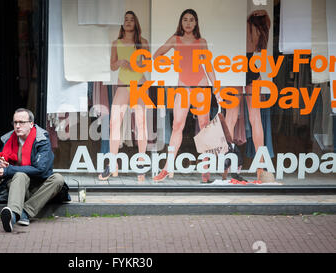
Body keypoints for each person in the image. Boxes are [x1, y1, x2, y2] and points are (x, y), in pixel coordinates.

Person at [152, 9, 217, 183]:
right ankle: (167, 168)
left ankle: (205, 170)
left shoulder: (201, 41)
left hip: (201, 86)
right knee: (177, 126)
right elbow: (156, 56)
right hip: (184, 87)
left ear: (196, 23)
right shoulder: (175, 40)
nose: (188, 23)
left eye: (191, 20)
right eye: (185, 20)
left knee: (204, 126)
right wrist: (173, 61)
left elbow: (207, 64)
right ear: (181, 23)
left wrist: (216, 86)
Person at [0, 108, 65, 232]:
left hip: (38, 186)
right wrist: (1, 168)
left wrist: (8, 170)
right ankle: (13, 216)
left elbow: (40, 169)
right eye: (15, 122)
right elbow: (4, 171)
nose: (18, 126)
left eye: (22, 122)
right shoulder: (8, 139)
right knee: (20, 175)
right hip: (17, 186)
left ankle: (25, 212)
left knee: (58, 179)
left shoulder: (42, 140)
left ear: (31, 124)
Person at [98, 11, 150, 182]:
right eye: (126, 20)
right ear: (122, 23)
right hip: (122, 86)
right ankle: (112, 164)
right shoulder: (116, 43)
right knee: (114, 124)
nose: (128, 22)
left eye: (131, 20)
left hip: (139, 86)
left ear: (136, 23)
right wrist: (120, 62)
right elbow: (112, 66)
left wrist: (136, 64)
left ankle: (141, 163)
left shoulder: (143, 42)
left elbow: (148, 63)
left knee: (141, 124)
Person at [223, 9, 274, 182]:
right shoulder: (261, 28)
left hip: (237, 65)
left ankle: (228, 165)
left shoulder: (243, 25)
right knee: (256, 118)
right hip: (252, 66)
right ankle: (260, 166)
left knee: (230, 117)